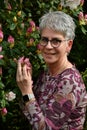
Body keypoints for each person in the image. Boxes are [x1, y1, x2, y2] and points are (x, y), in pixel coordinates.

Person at [16, 11, 87, 130]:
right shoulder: (47, 74)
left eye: (56, 41)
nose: (48, 46)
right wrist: (27, 84)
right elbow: (30, 116)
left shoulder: (70, 82)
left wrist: (27, 91)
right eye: (44, 39)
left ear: (69, 45)